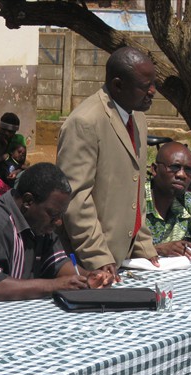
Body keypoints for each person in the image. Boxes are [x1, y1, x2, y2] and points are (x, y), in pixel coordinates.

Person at [0, 163, 114, 312]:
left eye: (61, 215)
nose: (58, 222)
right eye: (53, 214)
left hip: (9, 320)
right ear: (28, 201)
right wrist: (55, 285)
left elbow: (58, 263)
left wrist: (87, 277)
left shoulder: (41, 224)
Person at [56, 46, 160, 279]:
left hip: (127, 257)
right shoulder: (85, 122)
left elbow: (136, 190)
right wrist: (98, 257)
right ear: (118, 85)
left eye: (154, 84)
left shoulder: (138, 118)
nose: (153, 91)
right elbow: (76, 197)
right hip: (90, 262)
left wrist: (143, 245)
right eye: (145, 86)